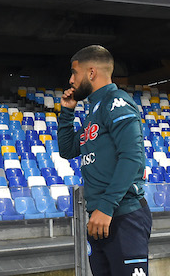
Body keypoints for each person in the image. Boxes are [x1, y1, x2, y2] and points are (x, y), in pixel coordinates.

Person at [58, 45, 152, 276]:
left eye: (74, 73)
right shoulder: (94, 111)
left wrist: (107, 207)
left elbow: (132, 157)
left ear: (91, 73)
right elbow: (68, 149)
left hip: (122, 215)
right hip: (100, 216)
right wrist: (67, 112)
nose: (71, 80)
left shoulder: (116, 102)